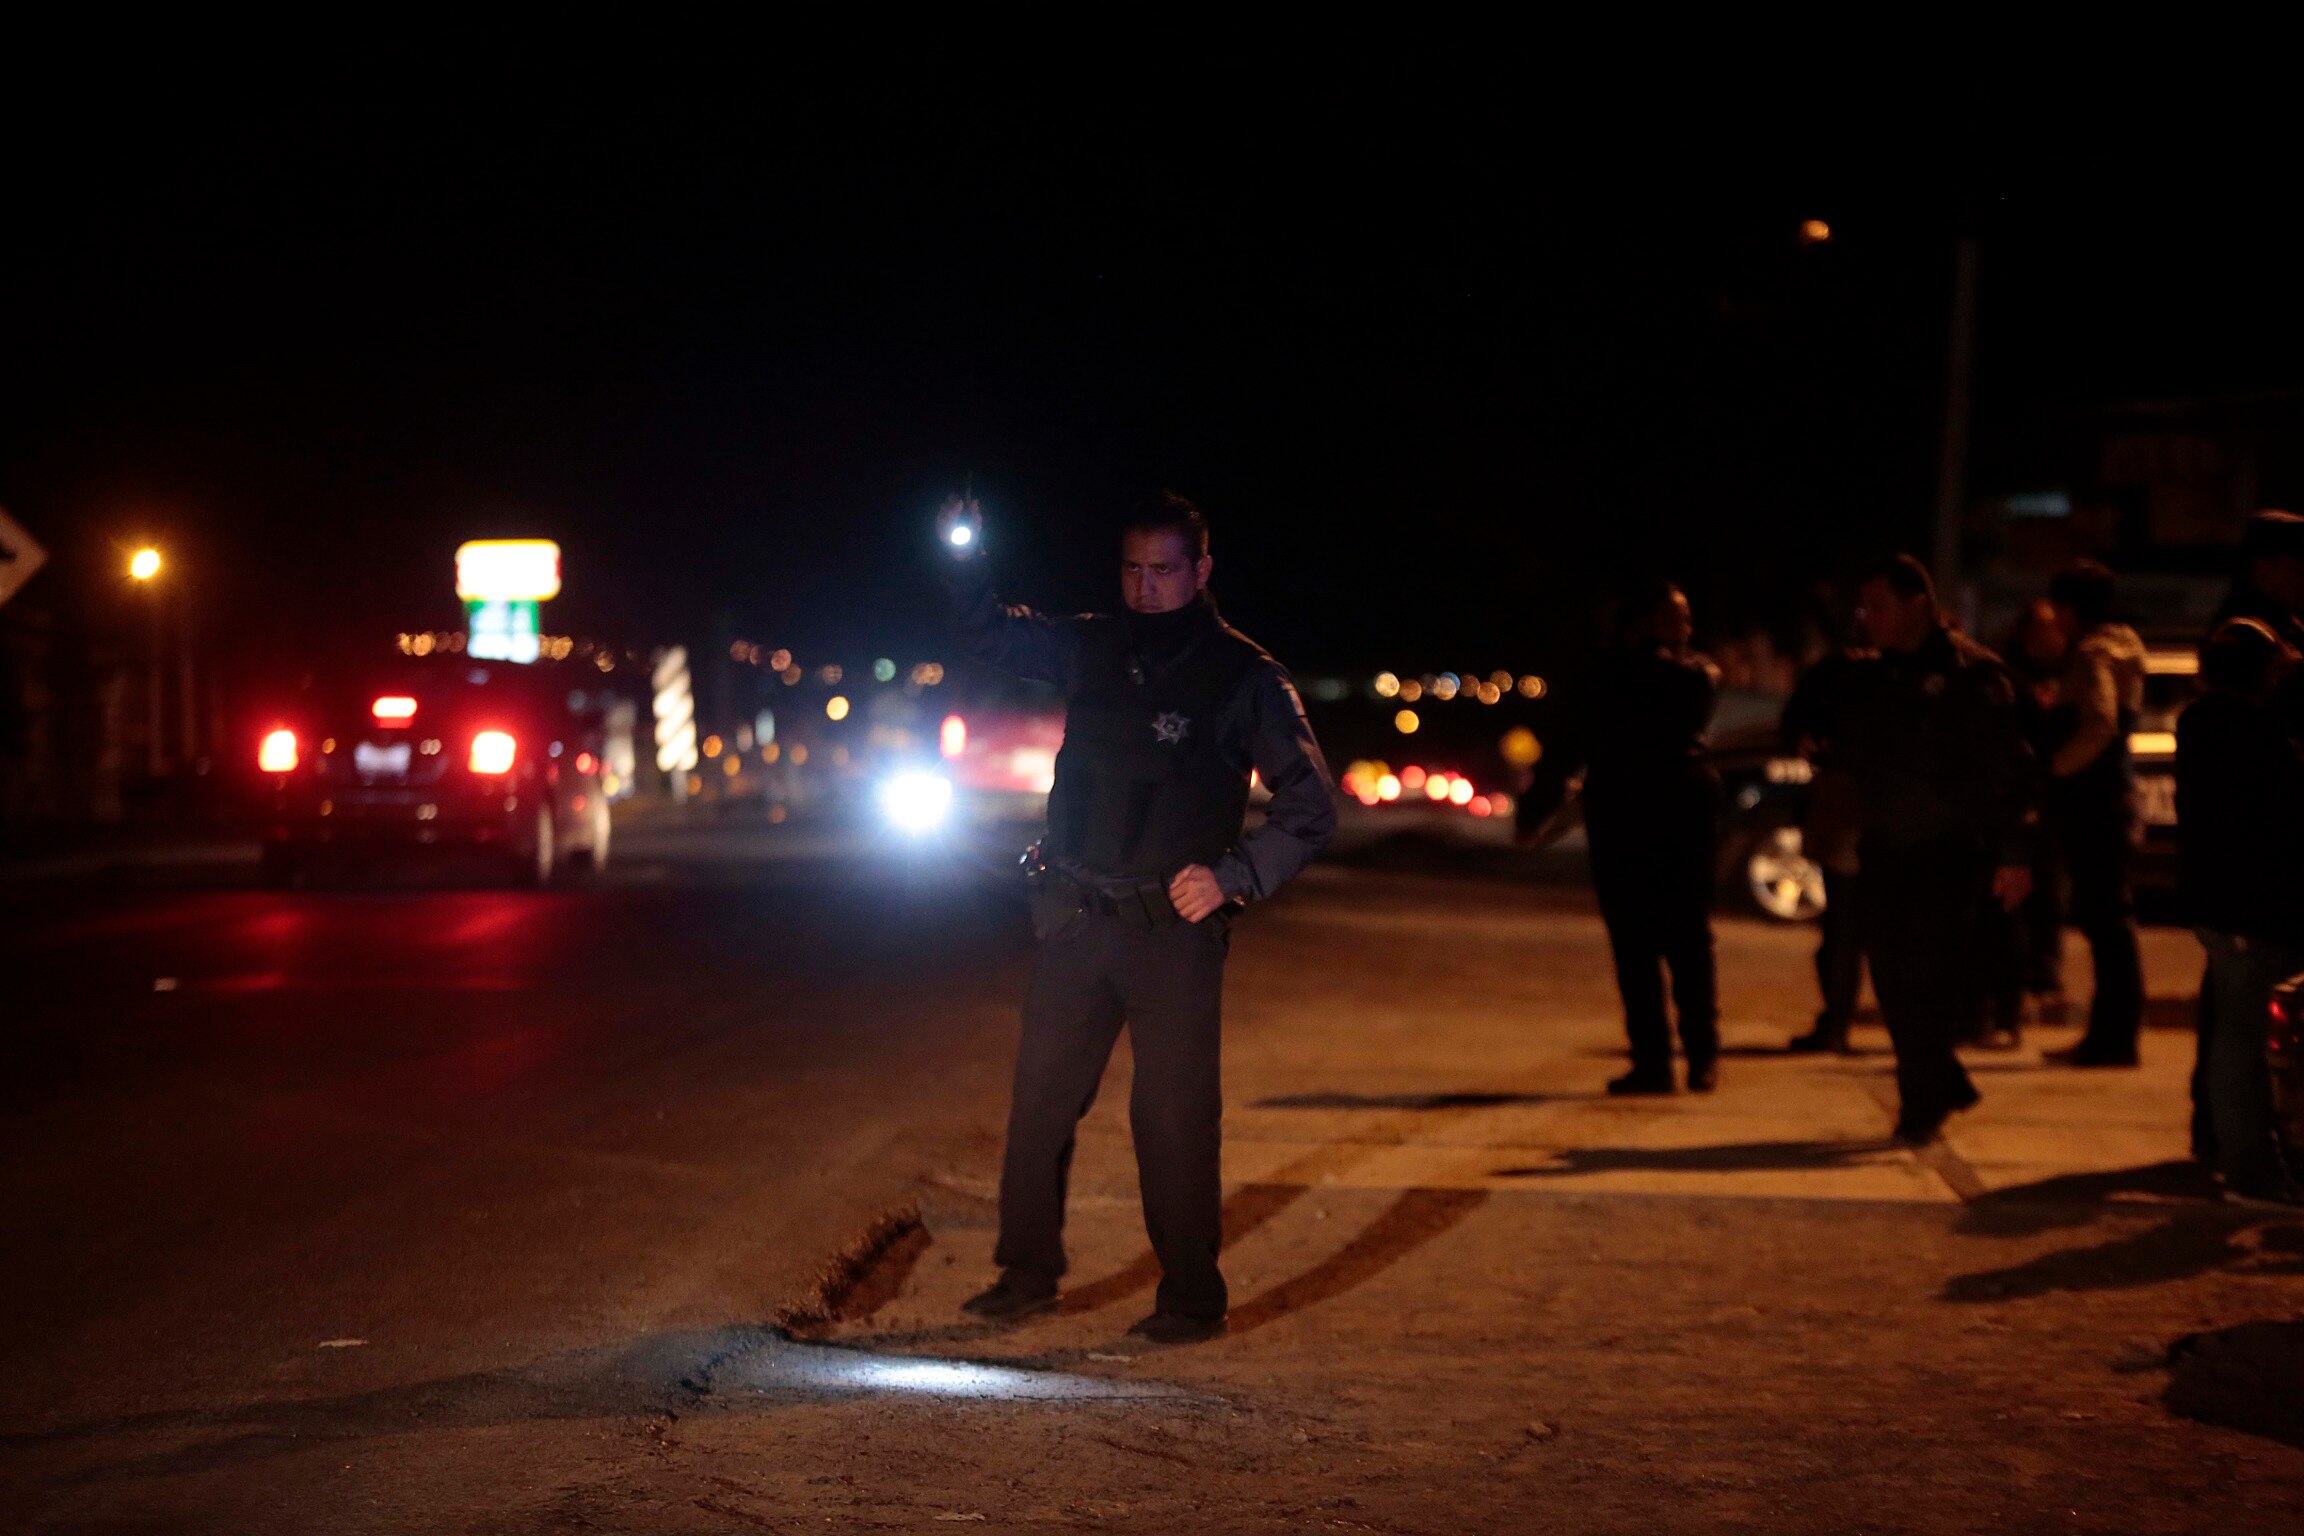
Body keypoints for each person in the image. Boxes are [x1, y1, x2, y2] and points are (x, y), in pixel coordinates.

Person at [939, 490, 1337, 1343]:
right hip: (1078, 918)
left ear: (1201, 570)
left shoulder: (1246, 677)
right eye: (1132, 568)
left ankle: (1193, 1298)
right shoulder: (1091, 643)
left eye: (1163, 570)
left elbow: (1311, 807)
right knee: (1040, 1104)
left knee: (1172, 1123)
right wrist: (967, 558)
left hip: (1174, 938)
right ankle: (1025, 1273)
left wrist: (1236, 876)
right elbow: (991, 635)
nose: (1146, 586)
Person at [1836, 555, 2035, 1145]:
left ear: (1919, 605)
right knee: (1893, 978)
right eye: (1864, 608)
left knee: (1928, 980)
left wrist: (2015, 853)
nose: (1867, 619)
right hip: (1886, 847)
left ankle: (1922, 1106)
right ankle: (1942, 1081)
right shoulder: (1876, 674)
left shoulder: (1972, 674)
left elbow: (2011, 771)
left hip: (1947, 851)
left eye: (1880, 607)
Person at [1519, 579, 1722, 1094]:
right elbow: (1567, 749)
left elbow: (1565, 749)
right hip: (1656, 811)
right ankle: (1683, 1058)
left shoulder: (1624, 676)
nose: (1686, 629)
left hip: (1646, 812)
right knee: (1667, 941)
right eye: (1675, 618)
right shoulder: (1668, 677)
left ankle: (1672, 1059)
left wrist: (1535, 813)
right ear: (1647, 622)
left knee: (1656, 941)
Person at [2177, 618, 2304, 1207]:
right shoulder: (2245, 732)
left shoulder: (2211, 724)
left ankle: (2248, 1158)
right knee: (2242, 1038)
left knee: (2239, 1032)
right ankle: (2249, 1168)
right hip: (2245, 906)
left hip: (2229, 902)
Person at [2039, 561, 2148, 1068]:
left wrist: (2057, 768)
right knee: (2111, 923)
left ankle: (2111, 1039)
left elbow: (2100, 722)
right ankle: (2112, 1035)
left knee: (2106, 923)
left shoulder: (2092, 654)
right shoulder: (2124, 646)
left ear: (2069, 608)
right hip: (2114, 797)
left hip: (2096, 801)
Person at [1781, 640, 1868, 1055]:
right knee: (1853, 928)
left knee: (1843, 929)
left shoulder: (1840, 670)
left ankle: (1837, 1021)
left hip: (1848, 806)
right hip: (1880, 810)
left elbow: (1796, 725)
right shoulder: (1899, 669)